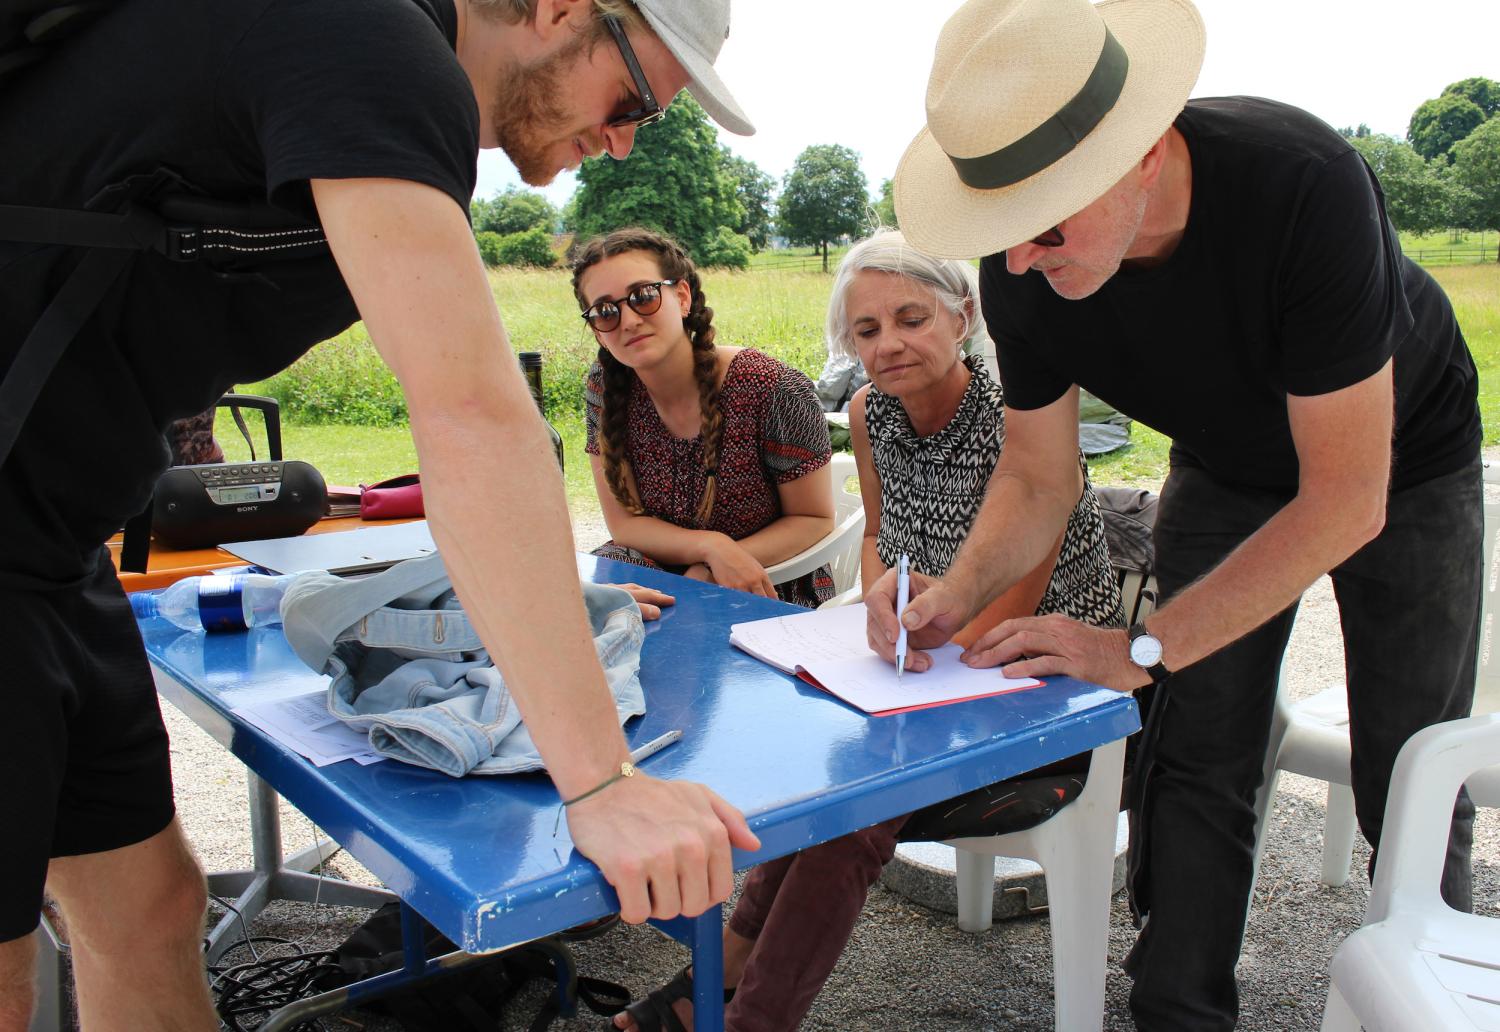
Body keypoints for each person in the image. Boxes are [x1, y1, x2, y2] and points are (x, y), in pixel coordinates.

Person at [0, 1, 763, 1027]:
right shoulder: (369, 40)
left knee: (149, 908)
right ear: (559, 9)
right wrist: (602, 784)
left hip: (48, 542)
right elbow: (472, 415)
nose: (622, 141)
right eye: (632, 98)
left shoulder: (373, 78)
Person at [868, 0, 1484, 1028]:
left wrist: (1138, 647)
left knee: (1411, 767)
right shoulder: (1021, 264)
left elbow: (1345, 499)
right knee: (1197, 748)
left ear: (1144, 152)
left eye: (1043, 227)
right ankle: (1175, 1010)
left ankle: (1434, 985)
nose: (1019, 264)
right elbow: (1035, 477)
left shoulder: (1301, 184)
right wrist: (953, 594)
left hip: (1403, 461)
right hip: (1229, 462)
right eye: (1000, 236)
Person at [612, 231, 1123, 1032]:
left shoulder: (1018, 420)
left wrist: (910, 648)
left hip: (1044, 693)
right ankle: (722, 978)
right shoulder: (869, 411)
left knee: (860, 799)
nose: (888, 346)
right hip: (932, 668)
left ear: (964, 317)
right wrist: (884, 601)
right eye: (867, 330)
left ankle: (745, 1011)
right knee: (825, 765)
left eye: (911, 318)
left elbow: (1013, 594)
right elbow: (882, 541)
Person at [574, 227, 836, 609]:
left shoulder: (773, 388)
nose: (627, 320)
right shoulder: (605, 389)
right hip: (660, 567)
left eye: (643, 296)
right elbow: (625, 525)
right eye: (605, 311)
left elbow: (814, 519)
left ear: (682, 297)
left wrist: (717, 567)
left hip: (766, 580)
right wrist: (709, 548)